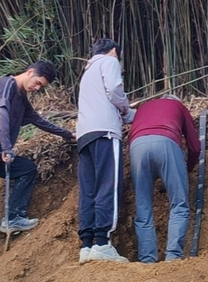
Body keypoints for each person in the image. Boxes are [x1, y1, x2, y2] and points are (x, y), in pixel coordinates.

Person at [0, 60, 74, 271]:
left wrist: (67, 135)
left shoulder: (22, 98)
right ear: (29, 72)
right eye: (37, 83)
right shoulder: (6, 85)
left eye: (41, 87)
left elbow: (38, 120)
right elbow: (0, 113)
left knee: (26, 169)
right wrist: (7, 147)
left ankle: (13, 218)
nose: (37, 88)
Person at [76, 38, 136, 264]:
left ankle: (87, 245)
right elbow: (114, 90)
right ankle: (102, 243)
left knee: (89, 190)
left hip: (85, 134)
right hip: (105, 132)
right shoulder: (109, 62)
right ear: (113, 51)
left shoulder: (87, 72)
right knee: (107, 186)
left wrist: (126, 113)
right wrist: (127, 108)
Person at [128, 95, 200, 263]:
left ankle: (147, 260)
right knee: (179, 204)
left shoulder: (143, 108)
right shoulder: (178, 105)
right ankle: (173, 257)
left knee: (143, 207)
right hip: (166, 142)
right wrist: (186, 170)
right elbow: (195, 147)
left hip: (137, 147)